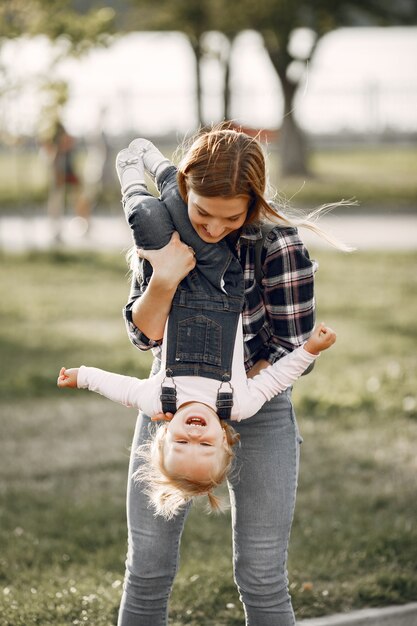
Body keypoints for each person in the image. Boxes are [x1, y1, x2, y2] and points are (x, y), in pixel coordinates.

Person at [115, 126, 342, 626]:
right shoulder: (162, 230)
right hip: (171, 406)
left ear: (254, 205)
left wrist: (234, 394)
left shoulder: (279, 245)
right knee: (147, 569)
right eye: (202, 213)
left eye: (231, 217)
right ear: (183, 189)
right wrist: (167, 275)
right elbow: (144, 337)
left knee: (261, 575)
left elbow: (287, 350)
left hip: (257, 407)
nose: (215, 228)